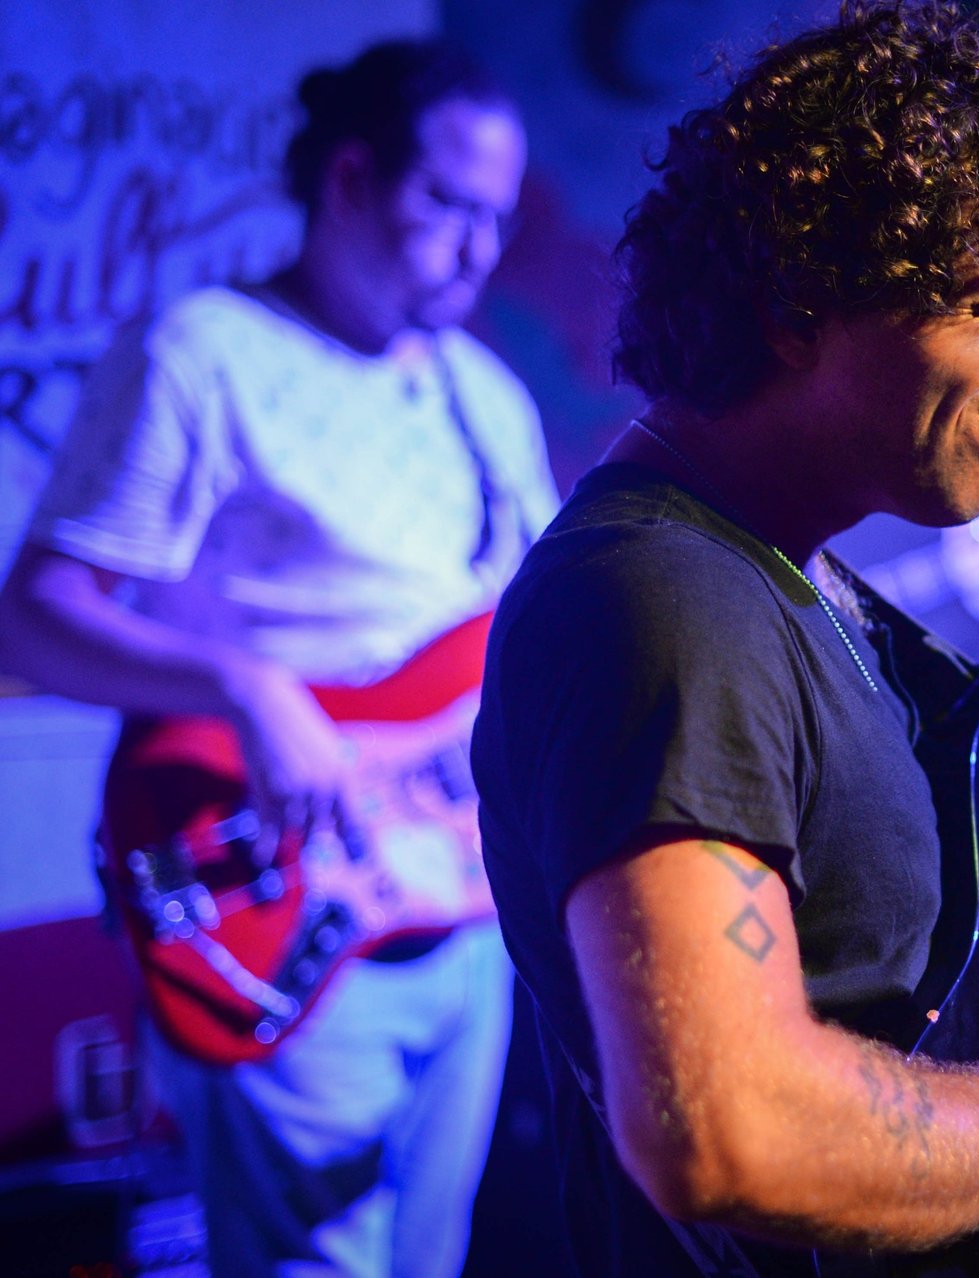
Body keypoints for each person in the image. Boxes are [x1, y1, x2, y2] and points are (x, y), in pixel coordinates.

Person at [471, 3, 979, 1274]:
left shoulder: (787, 579)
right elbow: (722, 1129)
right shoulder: (665, 599)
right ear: (799, 304)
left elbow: (907, 925)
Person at [0, 39, 559, 1278]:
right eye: (447, 206)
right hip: (281, 889)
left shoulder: (484, 394)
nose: (477, 247)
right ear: (351, 180)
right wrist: (246, 688)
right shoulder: (203, 353)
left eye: (498, 219)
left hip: (458, 908)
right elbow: (33, 614)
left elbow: (541, 641)